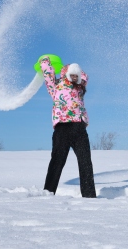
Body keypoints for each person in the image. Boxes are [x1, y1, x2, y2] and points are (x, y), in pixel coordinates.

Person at [40, 56, 96, 198]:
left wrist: (74, 67)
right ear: (65, 73)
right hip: (62, 129)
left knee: (85, 163)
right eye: (71, 74)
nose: (74, 77)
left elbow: (85, 76)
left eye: (76, 75)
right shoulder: (55, 87)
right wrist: (45, 62)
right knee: (57, 161)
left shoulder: (80, 87)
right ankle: (48, 193)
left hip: (79, 128)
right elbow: (48, 76)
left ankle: (89, 196)